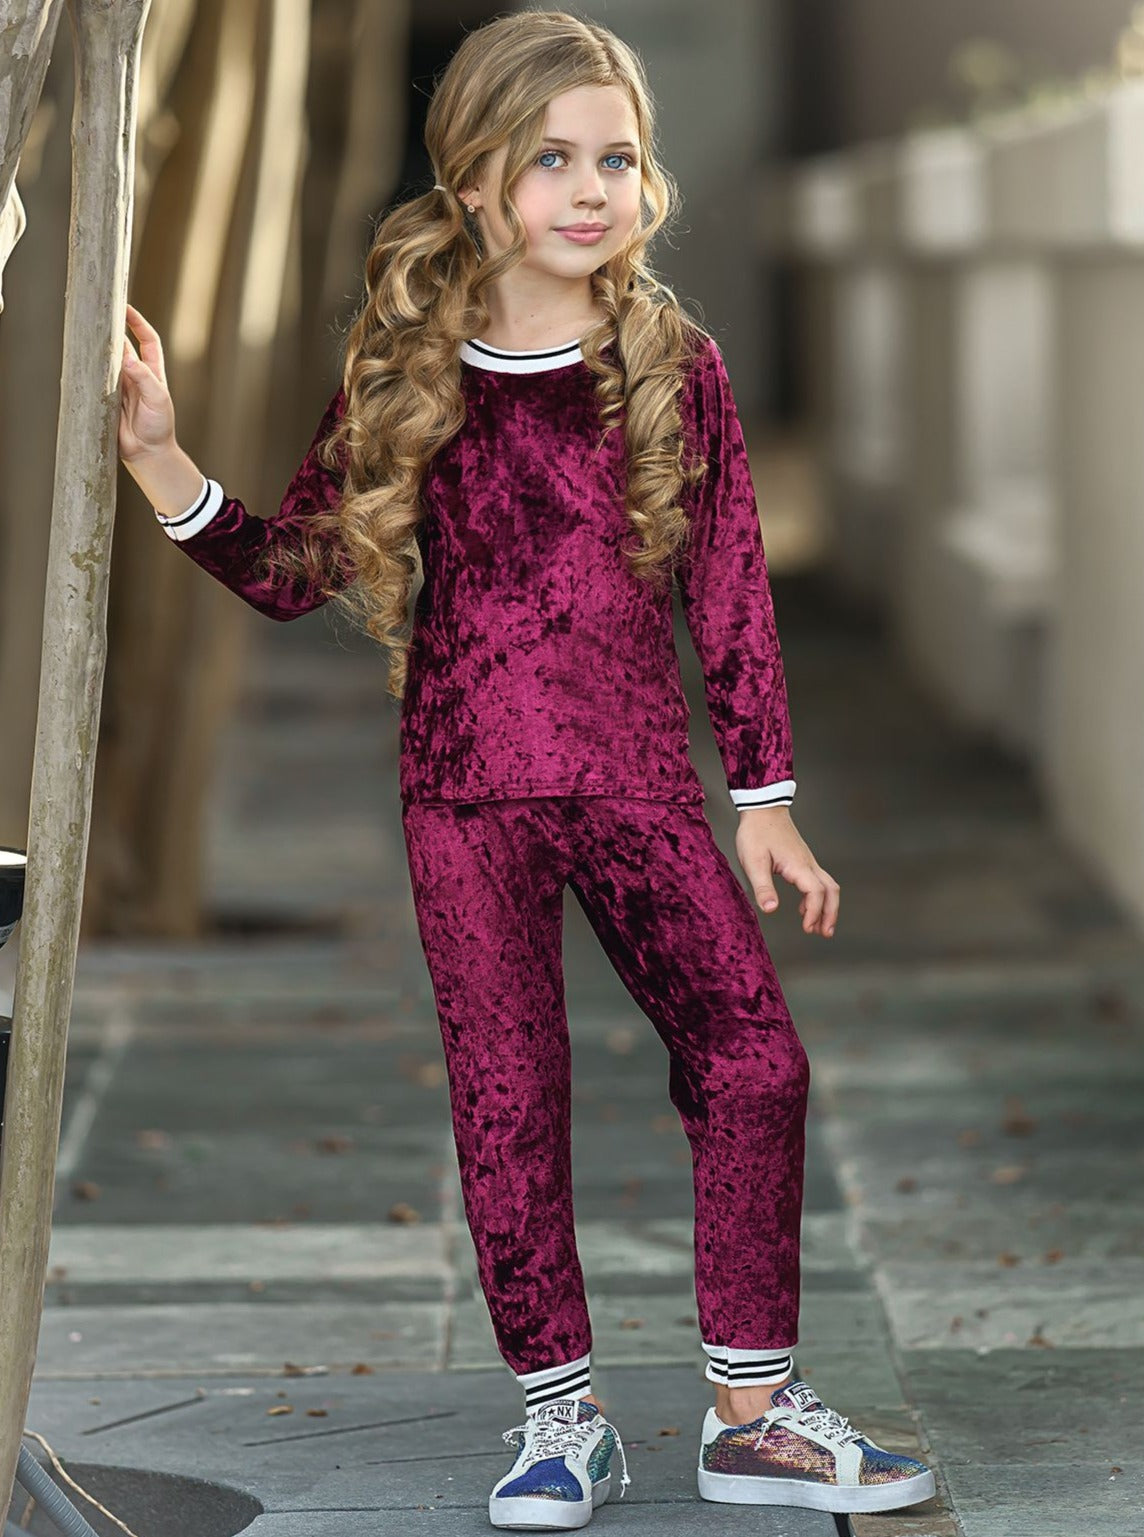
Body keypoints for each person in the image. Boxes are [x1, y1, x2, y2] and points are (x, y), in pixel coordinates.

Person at [117, 7, 936, 1529]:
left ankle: (753, 1415)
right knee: (509, 1098)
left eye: (616, 158)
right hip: (463, 797)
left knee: (755, 1063)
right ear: (477, 183)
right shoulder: (406, 369)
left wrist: (764, 798)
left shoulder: (672, 367)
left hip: (638, 788)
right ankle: (560, 1421)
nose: (590, 188)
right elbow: (297, 570)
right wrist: (165, 459)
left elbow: (730, 593)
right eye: (551, 158)